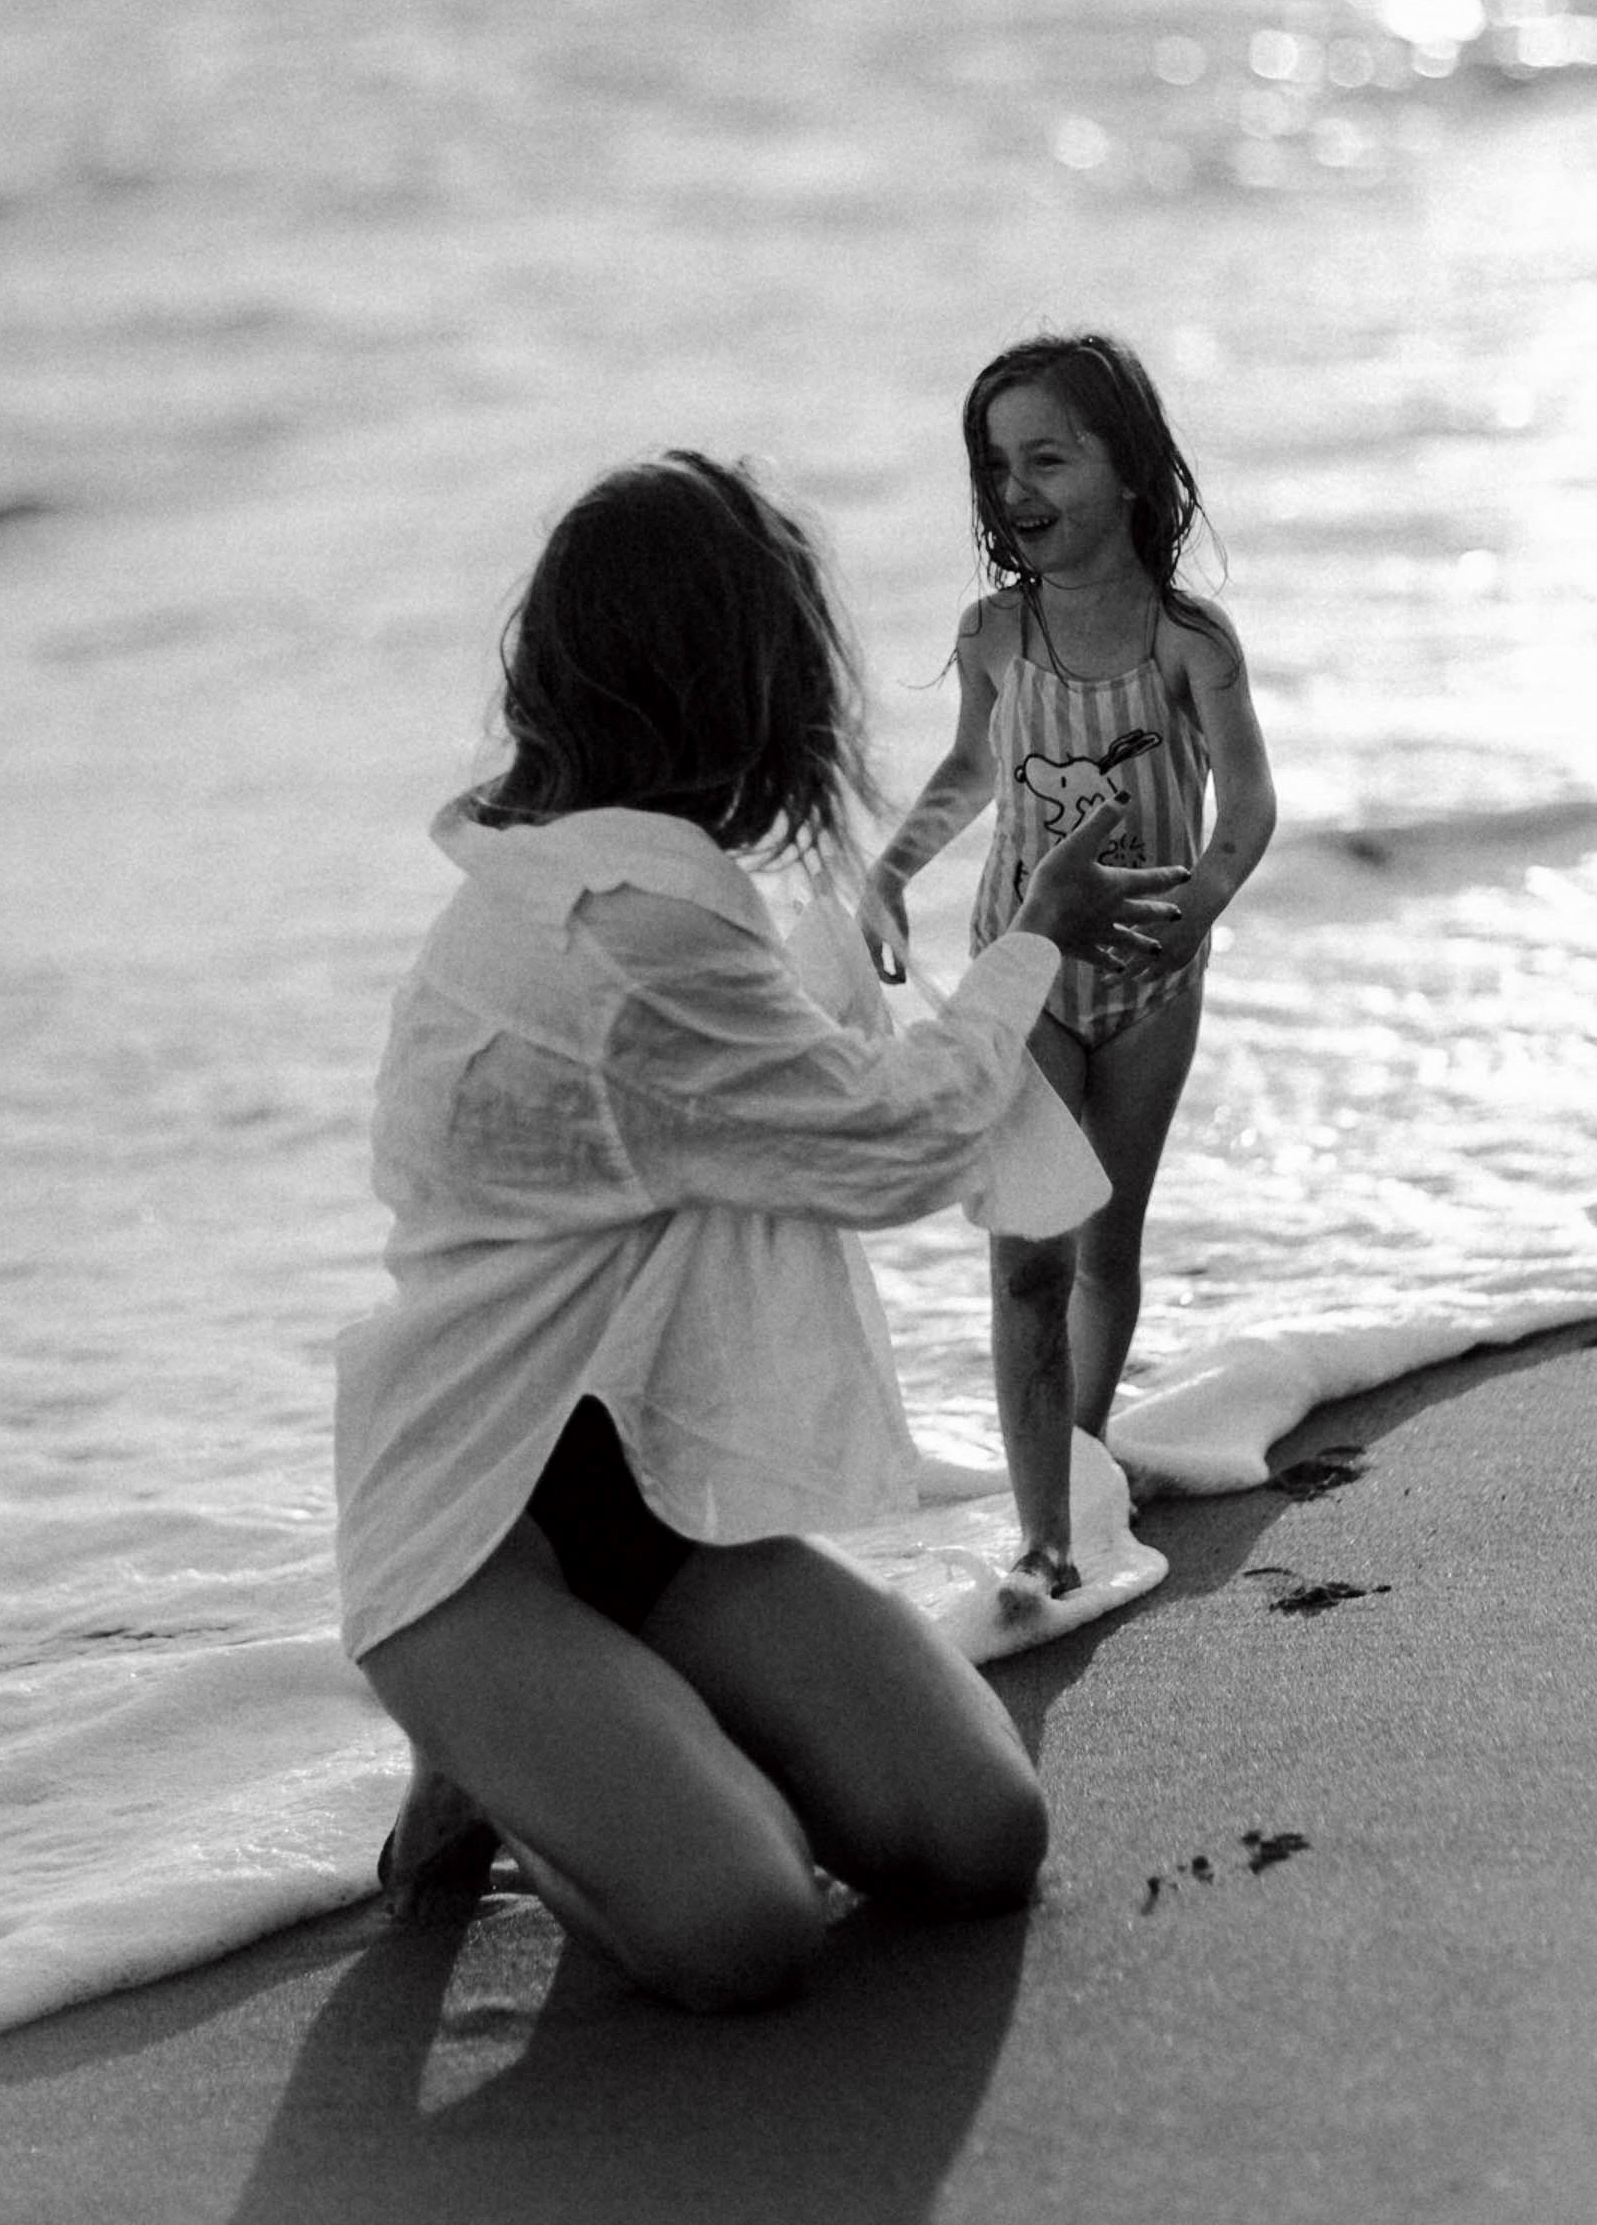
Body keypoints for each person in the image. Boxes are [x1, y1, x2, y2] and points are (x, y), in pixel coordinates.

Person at [333, 450, 1186, 2013]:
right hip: (466, 1527)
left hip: (626, 1489)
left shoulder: (619, 885)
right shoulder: (615, 924)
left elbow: (763, 1073)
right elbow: (892, 1143)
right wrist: (1037, 944)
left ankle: (628, 1722)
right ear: (749, 687)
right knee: (746, 1924)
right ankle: (486, 1754)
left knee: (979, 1835)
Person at [858, 334, 1276, 1601]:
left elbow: (1248, 806)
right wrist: (890, 869)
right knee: (1028, 1249)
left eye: (1046, 455)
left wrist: (1201, 899)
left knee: (1107, 1241)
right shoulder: (995, 633)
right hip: (1023, 970)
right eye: (996, 463)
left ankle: (1083, 1454)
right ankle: (1043, 1526)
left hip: (1150, 979)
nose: (1015, 486)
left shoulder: (1186, 641)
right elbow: (972, 770)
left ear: (1131, 470)